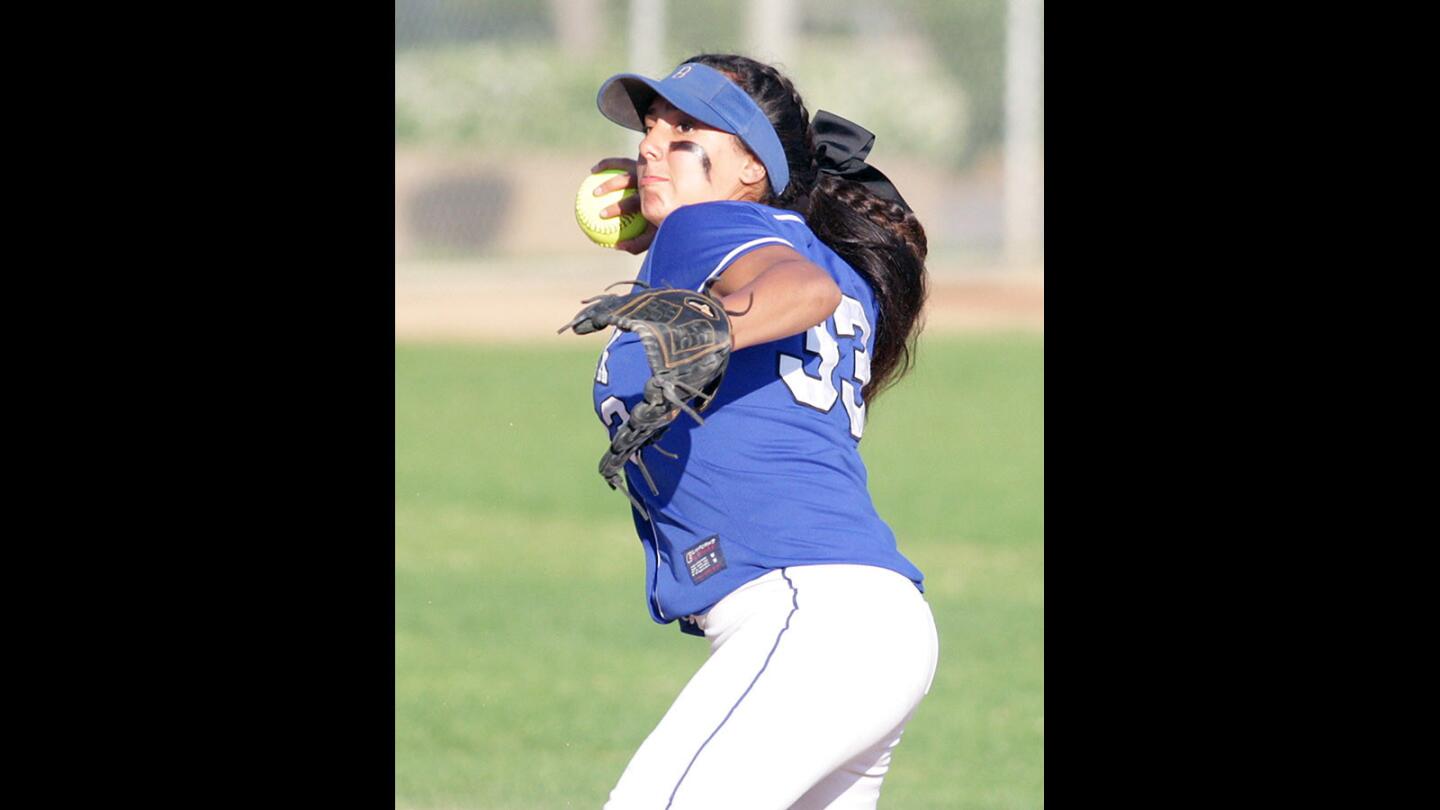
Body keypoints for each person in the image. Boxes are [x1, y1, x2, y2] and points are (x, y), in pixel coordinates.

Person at [582, 54, 938, 810]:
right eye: (651, 128)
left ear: (752, 167)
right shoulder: (819, 251)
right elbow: (796, 278)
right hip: (869, 621)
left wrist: (706, 326)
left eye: (685, 131)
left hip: (806, 618)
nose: (651, 143)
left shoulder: (712, 231)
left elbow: (797, 292)